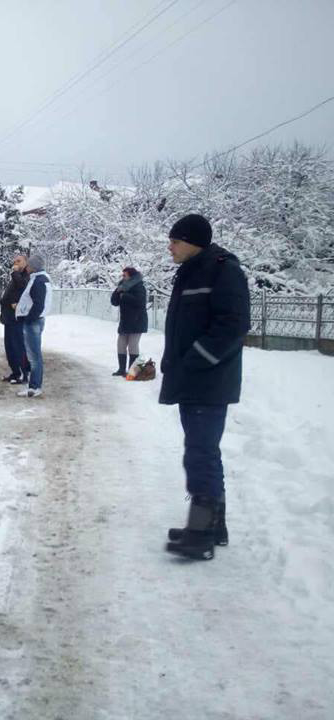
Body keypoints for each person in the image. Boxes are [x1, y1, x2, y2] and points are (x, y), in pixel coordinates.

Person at [161, 213, 250, 561]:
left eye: (175, 241)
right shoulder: (193, 270)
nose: (169, 247)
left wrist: (195, 360)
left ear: (193, 242)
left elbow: (233, 325)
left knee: (200, 454)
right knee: (203, 451)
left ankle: (200, 534)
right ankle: (214, 527)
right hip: (194, 377)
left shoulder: (222, 271)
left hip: (209, 379)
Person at [15, 254, 50, 397]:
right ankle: (34, 386)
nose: (27, 267)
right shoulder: (41, 278)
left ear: (34, 267)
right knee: (35, 355)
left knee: (34, 356)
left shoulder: (38, 281)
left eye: (29, 265)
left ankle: (34, 387)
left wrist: (28, 319)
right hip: (36, 320)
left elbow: (38, 304)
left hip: (33, 322)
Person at [110, 266, 149, 376]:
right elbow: (114, 302)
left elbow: (140, 302)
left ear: (131, 276)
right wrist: (117, 292)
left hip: (137, 320)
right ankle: (121, 369)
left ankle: (132, 371)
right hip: (125, 321)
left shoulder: (139, 287)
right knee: (121, 344)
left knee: (133, 345)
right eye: (122, 275)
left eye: (125, 275)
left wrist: (124, 295)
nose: (122, 277)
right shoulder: (122, 286)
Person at [0, 255, 31, 384]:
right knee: (10, 347)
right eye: (15, 261)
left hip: (17, 318)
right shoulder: (16, 276)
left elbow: (23, 286)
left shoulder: (26, 276)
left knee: (18, 347)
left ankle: (23, 374)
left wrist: (15, 272)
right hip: (9, 317)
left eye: (19, 261)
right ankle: (15, 372)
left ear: (26, 262)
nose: (15, 263)